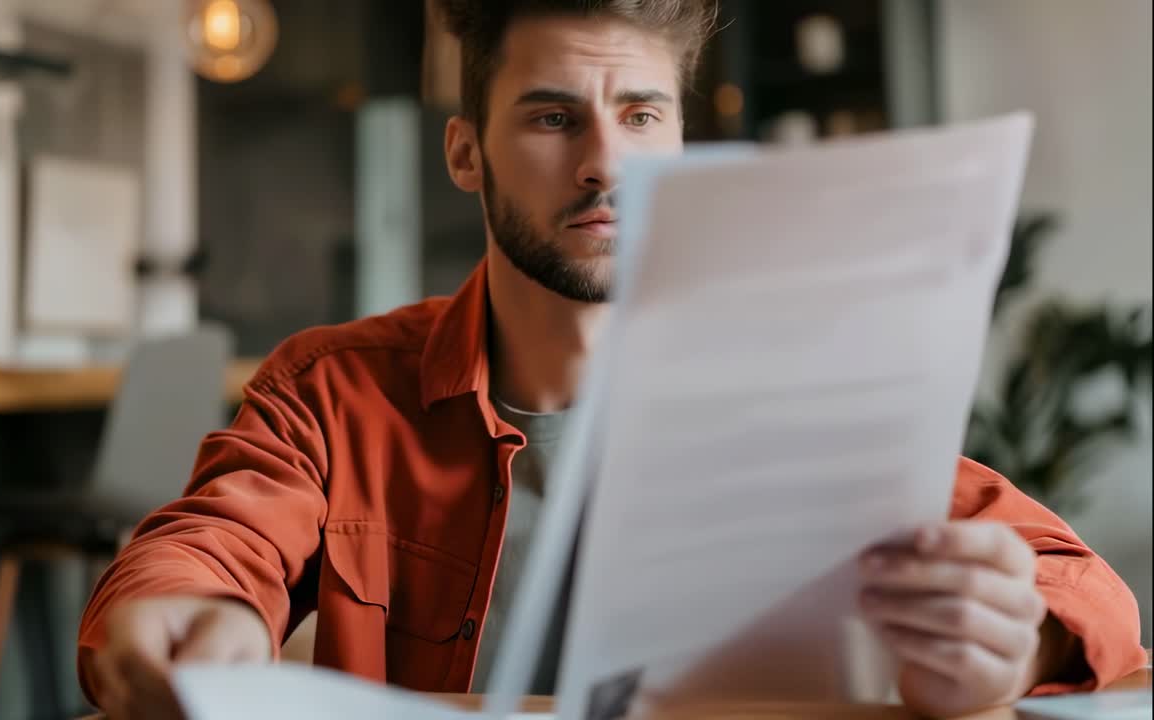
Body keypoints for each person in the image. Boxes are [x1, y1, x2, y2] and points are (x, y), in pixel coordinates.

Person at [77, 2, 1146, 718]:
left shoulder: (788, 390)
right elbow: (205, 549)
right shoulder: (331, 388)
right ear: (465, 153)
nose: (603, 163)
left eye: (640, 114)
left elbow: (1078, 589)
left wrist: (1018, 639)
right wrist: (195, 617)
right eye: (551, 117)